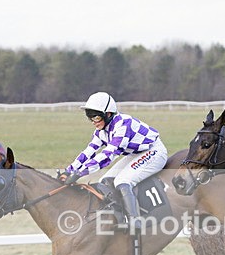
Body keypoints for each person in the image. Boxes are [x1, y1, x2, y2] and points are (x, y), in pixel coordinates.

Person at [59, 91, 168, 230]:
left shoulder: (123, 125)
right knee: (106, 180)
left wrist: (80, 173)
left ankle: (135, 222)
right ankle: (118, 216)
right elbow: (89, 151)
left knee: (123, 181)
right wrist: (69, 170)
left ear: (108, 114)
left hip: (154, 151)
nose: (93, 122)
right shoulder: (101, 131)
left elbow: (107, 156)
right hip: (136, 153)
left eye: (97, 117)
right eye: (90, 118)